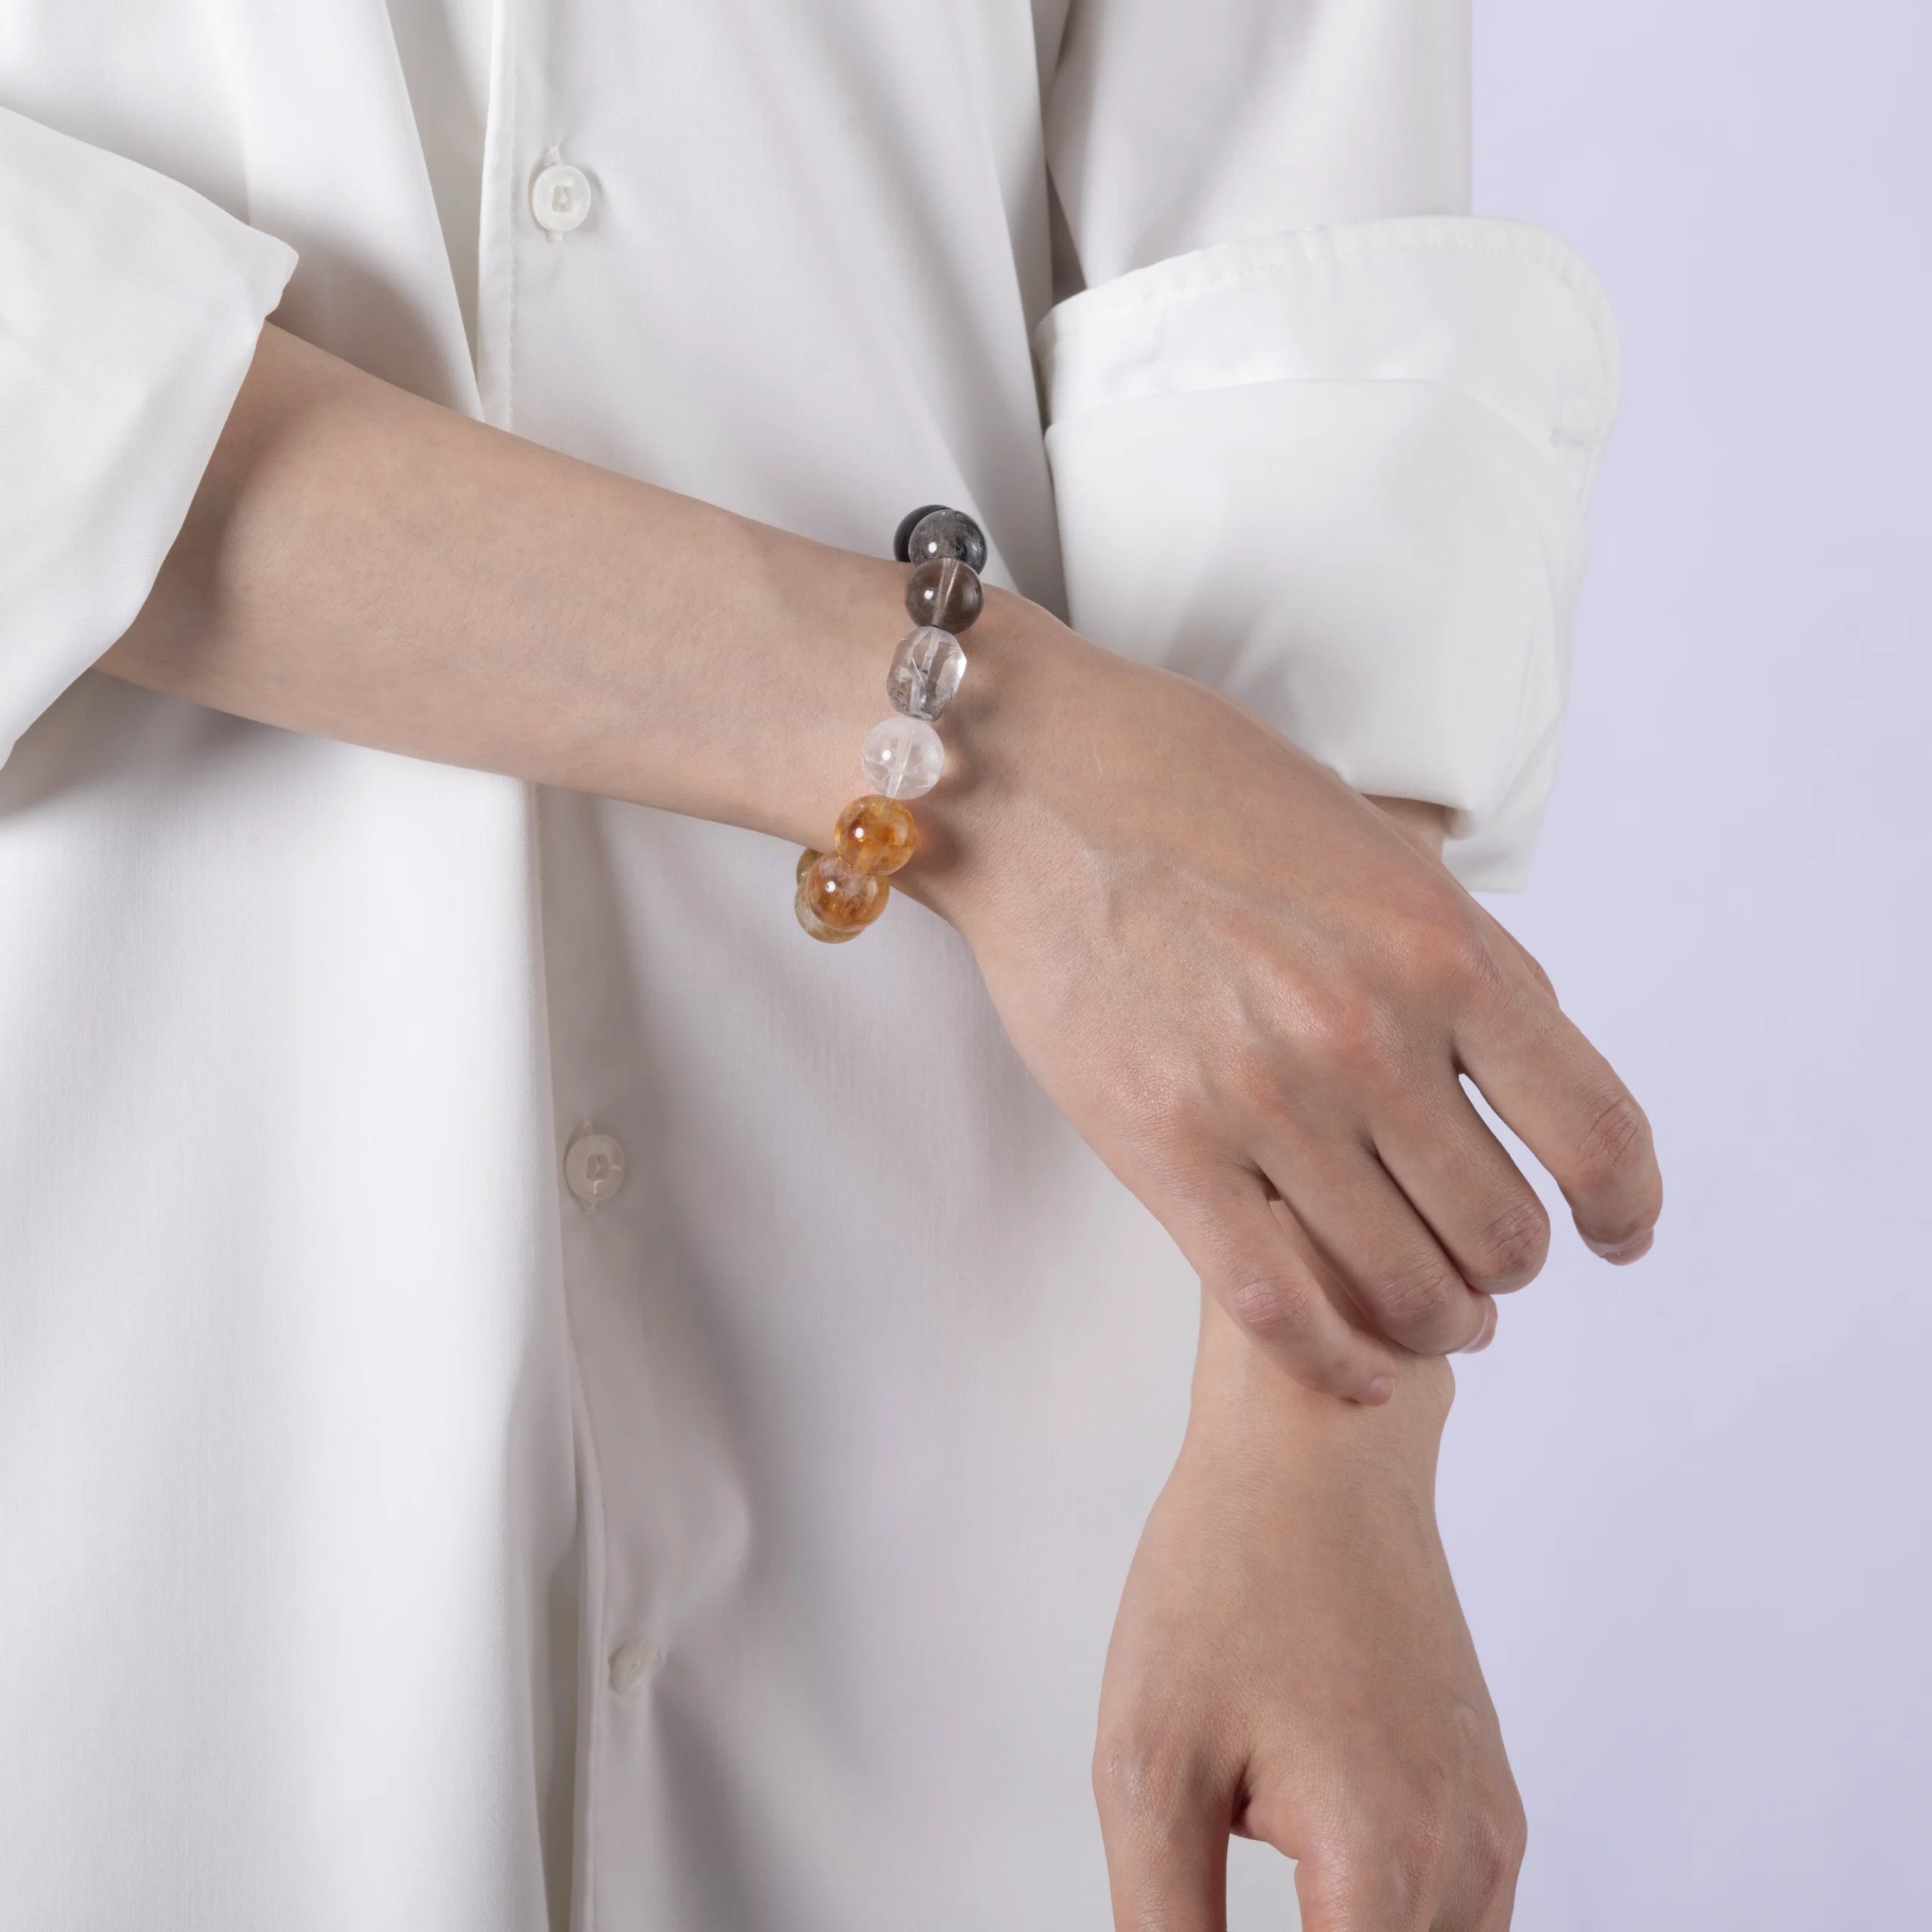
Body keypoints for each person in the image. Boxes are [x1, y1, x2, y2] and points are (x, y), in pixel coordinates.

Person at [0, 2, 1659, 1927]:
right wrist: (991, 761)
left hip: (993, 1416)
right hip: (128, 1316)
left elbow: (1288, 313)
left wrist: (1316, 1427)